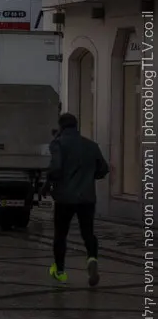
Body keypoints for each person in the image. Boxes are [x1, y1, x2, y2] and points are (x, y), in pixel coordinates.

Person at [44, 113, 108, 286]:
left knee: (61, 234)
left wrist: (48, 180)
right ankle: (92, 259)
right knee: (88, 232)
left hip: (65, 197)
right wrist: (88, 177)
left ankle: (60, 271)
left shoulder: (58, 143)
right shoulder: (91, 145)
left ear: (61, 126)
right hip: (87, 197)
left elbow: (56, 168)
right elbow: (103, 169)